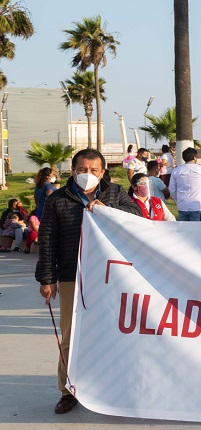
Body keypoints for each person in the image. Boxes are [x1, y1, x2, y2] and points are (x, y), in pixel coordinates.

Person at [35, 148, 142, 414]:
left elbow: (137, 217)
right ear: (73, 170)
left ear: (103, 172)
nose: (88, 174)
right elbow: (47, 241)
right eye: (82, 169)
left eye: (94, 170)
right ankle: (68, 390)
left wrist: (109, 210)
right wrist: (47, 279)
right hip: (72, 275)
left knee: (113, 333)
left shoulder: (115, 193)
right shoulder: (58, 199)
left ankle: (112, 389)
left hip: (111, 276)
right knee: (71, 336)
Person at [168, 148, 201, 221]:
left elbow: (172, 189)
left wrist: (178, 199)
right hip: (197, 205)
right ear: (194, 157)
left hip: (182, 205)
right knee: (195, 227)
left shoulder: (176, 170)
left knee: (183, 227)